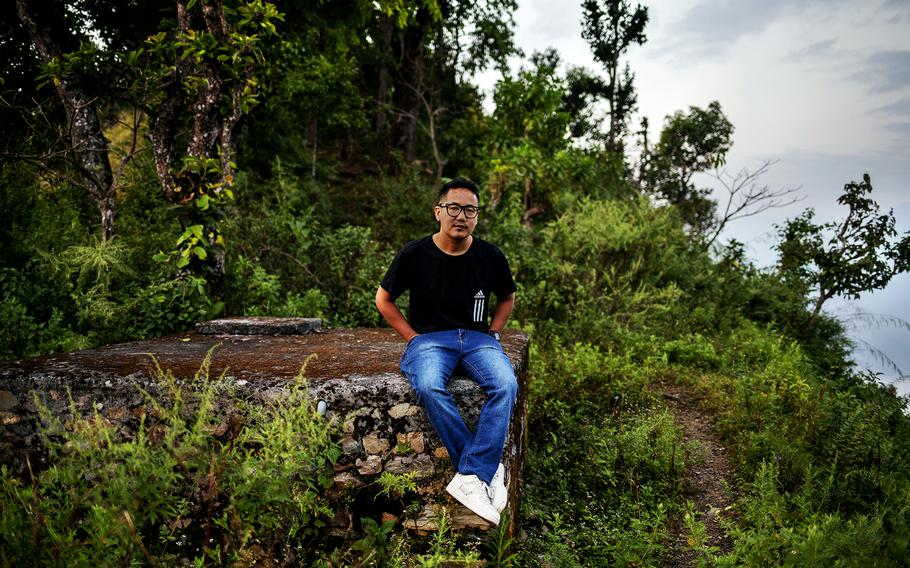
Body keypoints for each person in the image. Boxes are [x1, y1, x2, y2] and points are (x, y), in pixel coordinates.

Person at [375, 177, 518, 526]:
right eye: (454, 208)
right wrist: (412, 337)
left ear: (477, 216)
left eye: (470, 209)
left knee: (506, 385)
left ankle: (471, 474)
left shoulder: (490, 255)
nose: (461, 216)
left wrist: (495, 333)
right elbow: (384, 299)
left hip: (478, 339)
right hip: (430, 340)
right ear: (438, 211)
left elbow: (507, 297)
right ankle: (485, 471)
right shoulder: (414, 253)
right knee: (427, 386)